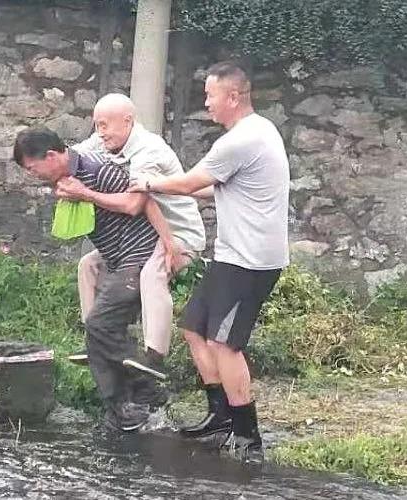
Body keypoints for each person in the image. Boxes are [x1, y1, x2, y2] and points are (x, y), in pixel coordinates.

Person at [129, 61, 290, 464]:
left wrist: (147, 183)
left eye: (210, 95)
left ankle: (248, 435)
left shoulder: (242, 140)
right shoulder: (255, 132)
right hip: (232, 256)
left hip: (251, 262)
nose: (206, 103)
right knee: (195, 328)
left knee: (224, 343)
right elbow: (206, 188)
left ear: (233, 97)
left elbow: (189, 182)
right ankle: (220, 417)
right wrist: (164, 190)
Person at [13, 127, 159, 432]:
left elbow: (139, 202)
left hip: (140, 254)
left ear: (51, 156)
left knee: (98, 324)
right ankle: (124, 409)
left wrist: (85, 194)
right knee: (99, 330)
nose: (32, 175)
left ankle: (144, 390)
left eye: (32, 168)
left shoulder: (97, 170)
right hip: (115, 259)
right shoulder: (68, 177)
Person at [61, 94, 206, 385]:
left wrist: (84, 193)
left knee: (153, 273)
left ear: (128, 121)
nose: (100, 132)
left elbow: (134, 204)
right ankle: (94, 340)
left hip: (178, 233)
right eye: (97, 125)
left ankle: (155, 356)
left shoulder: (149, 149)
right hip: (144, 236)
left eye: (105, 125)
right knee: (88, 265)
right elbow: (72, 156)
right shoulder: (103, 140)